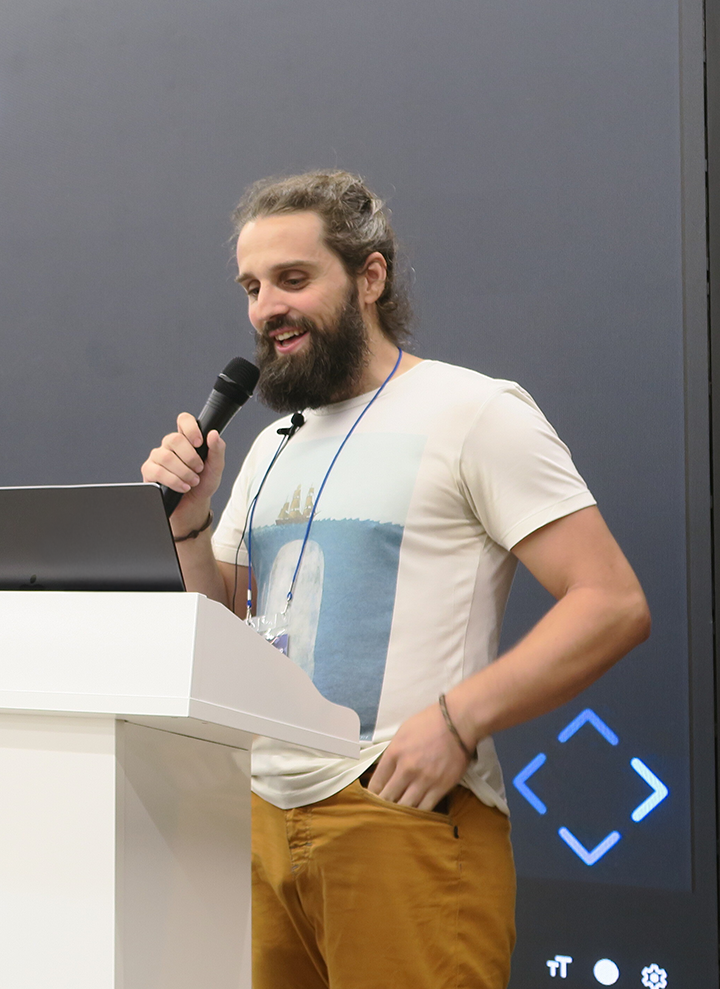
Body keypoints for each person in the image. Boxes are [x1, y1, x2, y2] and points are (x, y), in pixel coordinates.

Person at [141, 171, 650, 989]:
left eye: (293, 279)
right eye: (252, 287)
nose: (267, 307)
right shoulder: (269, 446)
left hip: (399, 813)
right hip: (261, 822)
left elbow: (611, 603)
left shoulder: (473, 411)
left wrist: (456, 720)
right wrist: (189, 523)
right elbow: (225, 628)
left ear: (370, 278)